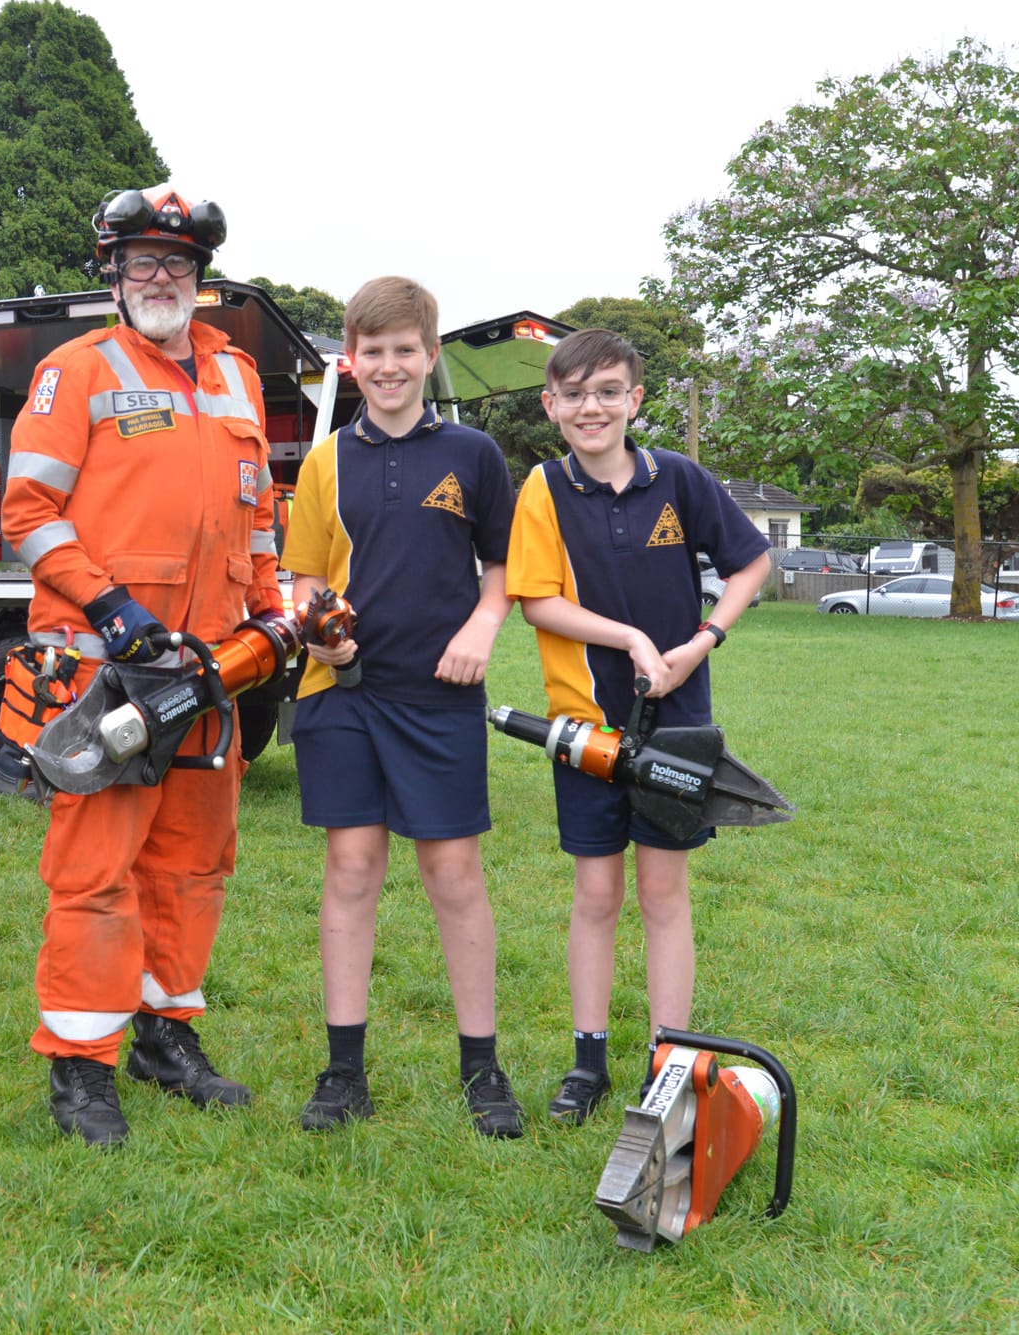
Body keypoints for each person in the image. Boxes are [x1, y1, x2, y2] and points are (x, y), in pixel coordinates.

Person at [2, 185, 283, 1146]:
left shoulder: (238, 374)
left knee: (194, 865)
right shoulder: (72, 371)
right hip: (106, 672)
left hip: (214, 670)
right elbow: (27, 514)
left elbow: (258, 515)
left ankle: (166, 1033)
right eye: (143, 264)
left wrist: (275, 613)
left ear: (200, 280)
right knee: (96, 872)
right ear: (113, 277)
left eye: (179, 265)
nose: (161, 278)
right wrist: (109, 605)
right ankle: (82, 1064)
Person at [503, 328, 771, 1125]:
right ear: (552, 406)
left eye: (609, 391)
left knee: (663, 890)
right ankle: (587, 1061)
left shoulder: (679, 479)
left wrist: (704, 639)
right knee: (596, 891)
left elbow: (751, 563)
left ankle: (667, 1057)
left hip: (676, 724)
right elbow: (536, 601)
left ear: (635, 400)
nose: (594, 407)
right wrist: (627, 638)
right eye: (576, 394)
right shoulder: (542, 489)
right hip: (584, 727)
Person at [281, 276, 523, 1138]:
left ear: (430, 354)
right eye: (372, 351)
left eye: (404, 350)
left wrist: (483, 628)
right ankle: (344, 1071)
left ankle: (482, 1066)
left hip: (441, 693)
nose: (389, 366)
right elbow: (306, 577)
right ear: (351, 361)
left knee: (453, 875)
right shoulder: (324, 461)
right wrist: (322, 632)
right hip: (342, 694)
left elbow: (500, 574)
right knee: (351, 869)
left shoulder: (474, 455)